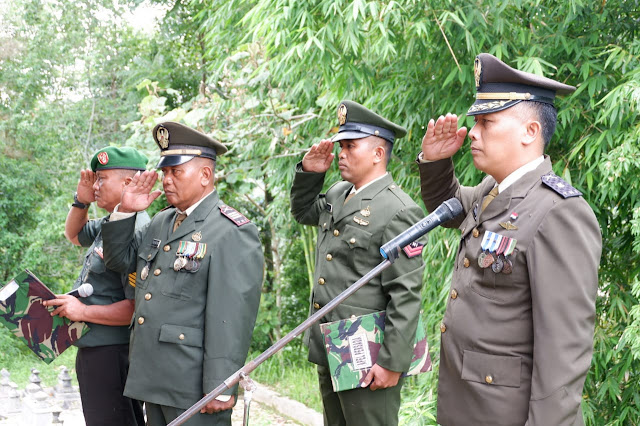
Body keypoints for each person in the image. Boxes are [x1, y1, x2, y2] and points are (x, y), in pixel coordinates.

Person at [417, 53, 602, 425]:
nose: (473, 132)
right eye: (476, 122)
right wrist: (436, 161)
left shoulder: (558, 212)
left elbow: (563, 356)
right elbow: (449, 208)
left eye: (487, 122)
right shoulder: (493, 191)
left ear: (529, 132)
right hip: (469, 406)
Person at [100, 121, 264, 426]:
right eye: (164, 172)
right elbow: (119, 261)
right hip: (155, 376)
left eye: (177, 171)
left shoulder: (230, 231)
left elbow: (231, 317)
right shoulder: (161, 221)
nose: (167, 180)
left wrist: (221, 383)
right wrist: (125, 212)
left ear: (205, 175)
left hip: (194, 385)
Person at [290, 100, 426, 426]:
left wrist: (392, 362)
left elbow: (405, 293)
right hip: (333, 343)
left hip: (368, 350)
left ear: (379, 154)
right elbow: (304, 211)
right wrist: (310, 173)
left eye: (351, 146)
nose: (341, 153)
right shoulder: (339, 193)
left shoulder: (398, 210)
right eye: (340, 146)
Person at [44, 146, 149, 426]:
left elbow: (137, 308)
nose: (97, 186)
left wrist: (82, 312)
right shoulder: (112, 222)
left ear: (128, 183)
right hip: (95, 348)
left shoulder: (138, 230)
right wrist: (81, 200)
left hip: (113, 353)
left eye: (103, 179)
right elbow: (74, 234)